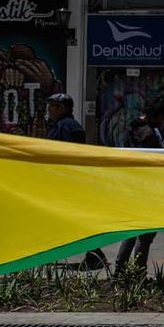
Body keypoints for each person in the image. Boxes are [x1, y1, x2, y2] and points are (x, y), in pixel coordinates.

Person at [115, 94, 164, 274]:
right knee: (145, 235)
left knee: (132, 232)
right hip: (147, 189)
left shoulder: (136, 127)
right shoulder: (149, 134)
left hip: (134, 187)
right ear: (161, 114)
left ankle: (120, 271)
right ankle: (137, 272)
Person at [45, 93, 107, 270]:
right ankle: (94, 254)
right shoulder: (66, 125)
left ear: (62, 109)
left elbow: (62, 155)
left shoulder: (65, 127)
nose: (49, 109)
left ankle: (95, 254)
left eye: (52, 106)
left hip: (65, 183)